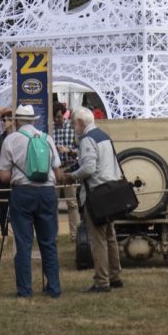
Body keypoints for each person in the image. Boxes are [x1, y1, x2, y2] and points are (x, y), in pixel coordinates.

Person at [0, 103, 62, 299]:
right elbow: (58, 173)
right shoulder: (46, 139)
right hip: (47, 192)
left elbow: (4, 177)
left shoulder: (10, 140)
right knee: (48, 242)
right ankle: (54, 288)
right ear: (34, 121)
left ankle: (25, 290)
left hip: (23, 193)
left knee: (24, 243)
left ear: (17, 121)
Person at [65, 106, 124, 293]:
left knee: (98, 240)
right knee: (110, 237)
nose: (74, 126)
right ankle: (115, 276)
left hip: (96, 193)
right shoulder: (103, 136)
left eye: (75, 122)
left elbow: (89, 168)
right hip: (111, 190)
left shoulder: (87, 139)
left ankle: (102, 281)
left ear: (82, 123)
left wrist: (71, 176)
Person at [53, 102, 80, 240]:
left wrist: (69, 151)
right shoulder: (51, 130)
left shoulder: (72, 127)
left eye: (58, 116)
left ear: (63, 114)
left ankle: (75, 234)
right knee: (53, 203)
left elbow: (80, 150)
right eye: (54, 117)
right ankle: (55, 234)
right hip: (56, 169)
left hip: (70, 167)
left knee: (72, 202)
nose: (57, 120)